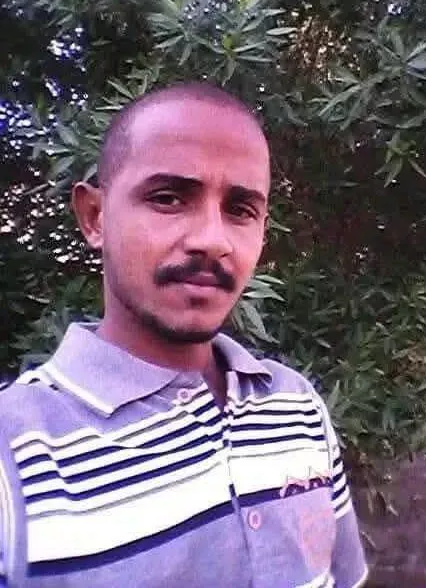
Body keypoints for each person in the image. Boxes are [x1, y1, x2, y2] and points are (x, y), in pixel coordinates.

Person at [0, 83, 368, 588]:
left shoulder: (297, 406)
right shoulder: (14, 457)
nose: (212, 240)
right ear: (94, 217)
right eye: (168, 198)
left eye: (240, 210)